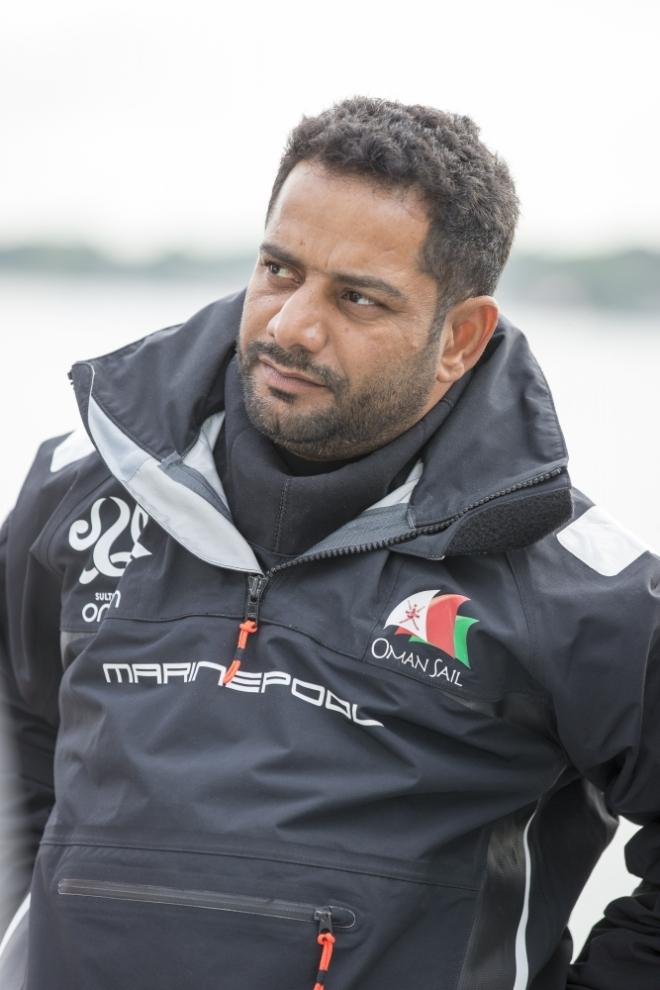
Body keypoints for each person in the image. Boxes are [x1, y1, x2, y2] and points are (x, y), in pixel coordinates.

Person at [0, 96, 658, 990]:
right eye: (279, 269)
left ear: (460, 338)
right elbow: (18, 722)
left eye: (357, 298)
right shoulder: (79, 490)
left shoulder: (579, 591)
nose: (290, 327)